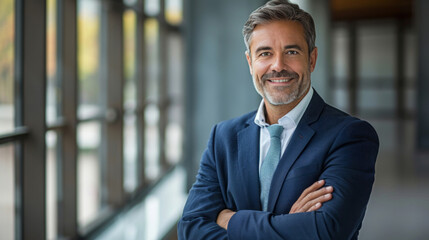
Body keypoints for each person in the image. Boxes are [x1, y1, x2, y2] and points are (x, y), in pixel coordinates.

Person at [178, 0, 379, 239]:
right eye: (265, 53)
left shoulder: (351, 136)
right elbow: (191, 227)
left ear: (312, 59)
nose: (278, 66)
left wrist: (230, 219)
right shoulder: (223, 137)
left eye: (291, 52)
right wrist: (290, 224)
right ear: (250, 63)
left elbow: (327, 231)